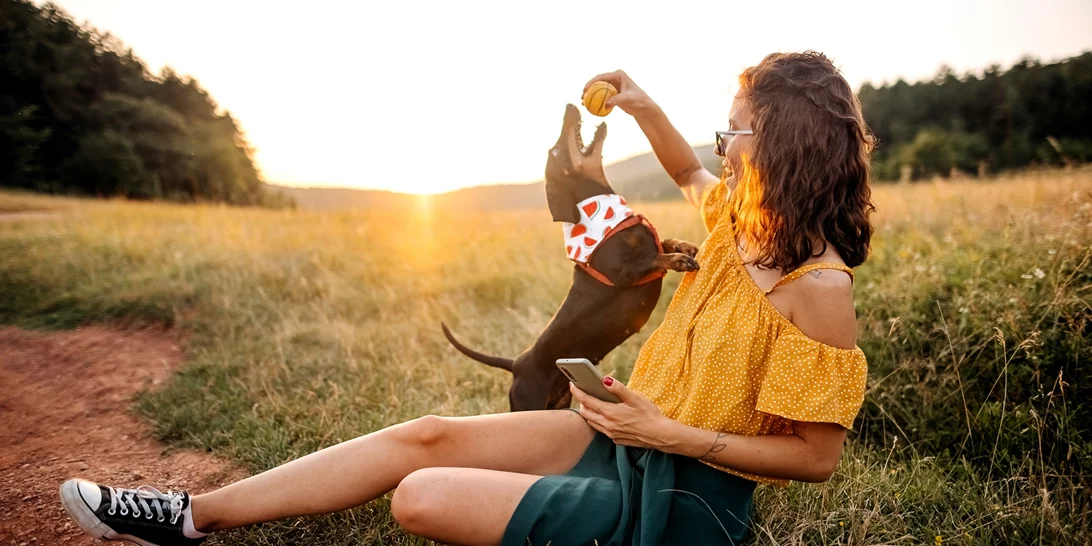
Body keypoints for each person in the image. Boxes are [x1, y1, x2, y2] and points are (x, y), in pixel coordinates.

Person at [59, 50, 874, 546]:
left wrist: (668, 432)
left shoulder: (818, 288)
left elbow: (816, 459)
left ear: (781, 145)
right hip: (628, 438)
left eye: (734, 131)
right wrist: (640, 103)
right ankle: (190, 515)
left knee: (420, 496)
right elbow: (687, 170)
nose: (720, 146)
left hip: (689, 501)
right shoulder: (737, 225)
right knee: (427, 435)